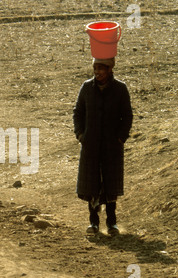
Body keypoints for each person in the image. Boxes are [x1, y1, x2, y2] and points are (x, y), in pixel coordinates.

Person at [73, 57, 133, 235]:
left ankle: (112, 223)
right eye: (95, 69)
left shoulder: (120, 89)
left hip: (112, 146)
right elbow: (78, 112)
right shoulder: (86, 87)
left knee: (110, 183)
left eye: (101, 69)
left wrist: (121, 137)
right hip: (90, 144)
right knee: (91, 183)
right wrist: (80, 134)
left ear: (110, 70)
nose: (97, 72)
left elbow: (127, 116)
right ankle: (93, 223)